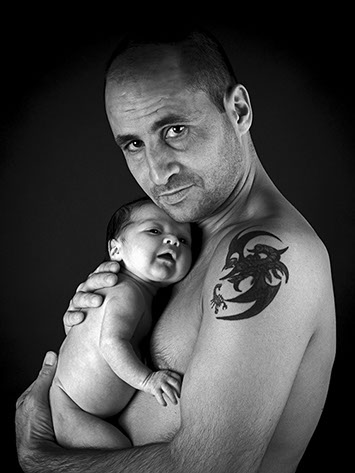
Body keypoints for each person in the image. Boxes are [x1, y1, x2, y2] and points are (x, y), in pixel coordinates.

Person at [15, 24, 336, 473]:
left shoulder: (275, 251)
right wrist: (94, 327)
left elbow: (212, 467)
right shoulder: (183, 244)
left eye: (175, 130)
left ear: (238, 110)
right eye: (133, 144)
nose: (157, 172)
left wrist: (42, 460)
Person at [49, 197, 192, 449]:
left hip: (87, 407)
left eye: (183, 240)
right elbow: (111, 343)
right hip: (74, 410)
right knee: (119, 455)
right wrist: (148, 381)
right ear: (116, 250)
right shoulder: (126, 291)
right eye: (154, 231)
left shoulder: (140, 294)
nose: (172, 241)